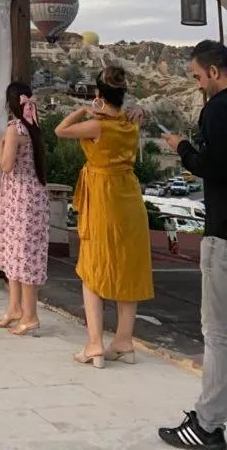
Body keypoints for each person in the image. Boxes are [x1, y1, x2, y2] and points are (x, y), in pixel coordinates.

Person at [55, 65, 153, 368]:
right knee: (128, 265)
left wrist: (84, 109)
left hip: (103, 196)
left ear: (99, 94)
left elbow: (59, 130)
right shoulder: (130, 121)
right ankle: (124, 341)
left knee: (94, 265)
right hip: (129, 195)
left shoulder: (98, 126)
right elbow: (137, 113)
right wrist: (134, 109)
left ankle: (95, 344)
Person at [158, 40, 227, 449]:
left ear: (214, 73)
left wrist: (181, 148)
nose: (198, 85)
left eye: (198, 77)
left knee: (217, 332)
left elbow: (212, 167)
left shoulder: (216, 110)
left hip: (223, 235)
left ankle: (207, 423)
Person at [0, 81, 50, 336]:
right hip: (30, 196)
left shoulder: (15, 129)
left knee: (23, 256)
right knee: (17, 254)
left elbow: (5, 166)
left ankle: (30, 315)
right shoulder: (33, 126)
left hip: (19, 199)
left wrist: (4, 144)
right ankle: (15, 308)